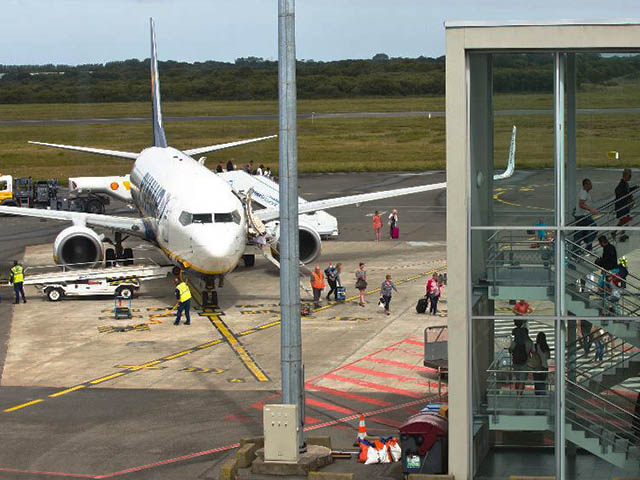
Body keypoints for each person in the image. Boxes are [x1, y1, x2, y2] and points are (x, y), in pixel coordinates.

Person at [509, 319, 534, 396]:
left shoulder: (515, 342)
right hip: (524, 362)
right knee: (522, 380)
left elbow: (510, 350)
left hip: (516, 362)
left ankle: (517, 393)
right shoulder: (528, 342)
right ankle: (520, 394)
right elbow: (533, 351)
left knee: (517, 379)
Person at [574, 178, 599, 252]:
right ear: (584, 185)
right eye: (588, 184)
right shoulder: (584, 193)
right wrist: (591, 209)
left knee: (580, 234)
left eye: (590, 183)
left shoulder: (585, 193)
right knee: (593, 229)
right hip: (583, 216)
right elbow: (581, 204)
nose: (590, 185)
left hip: (583, 216)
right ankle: (588, 246)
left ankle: (578, 249)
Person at [614, 168, 634, 242]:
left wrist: (633, 188)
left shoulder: (625, 183)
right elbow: (620, 192)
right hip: (622, 206)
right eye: (629, 176)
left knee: (625, 220)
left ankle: (620, 233)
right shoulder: (622, 184)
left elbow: (627, 191)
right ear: (625, 175)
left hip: (623, 205)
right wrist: (628, 197)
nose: (630, 177)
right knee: (624, 220)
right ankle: (618, 233)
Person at [533, 332, 551, 396]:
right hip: (545, 366)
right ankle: (543, 395)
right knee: (543, 382)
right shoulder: (546, 347)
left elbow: (533, 355)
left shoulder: (535, 346)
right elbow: (548, 357)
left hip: (537, 366)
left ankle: (538, 397)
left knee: (537, 383)